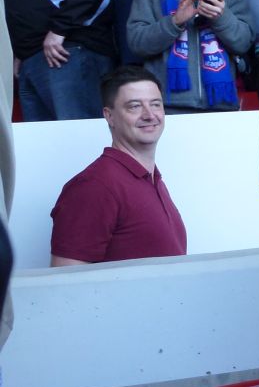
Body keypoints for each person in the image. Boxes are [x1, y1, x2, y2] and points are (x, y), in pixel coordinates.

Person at [50, 65, 187, 264]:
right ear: (109, 116)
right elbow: (65, 283)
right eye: (134, 106)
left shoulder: (152, 178)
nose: (149, 114)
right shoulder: (95, 186)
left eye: (156, 104)